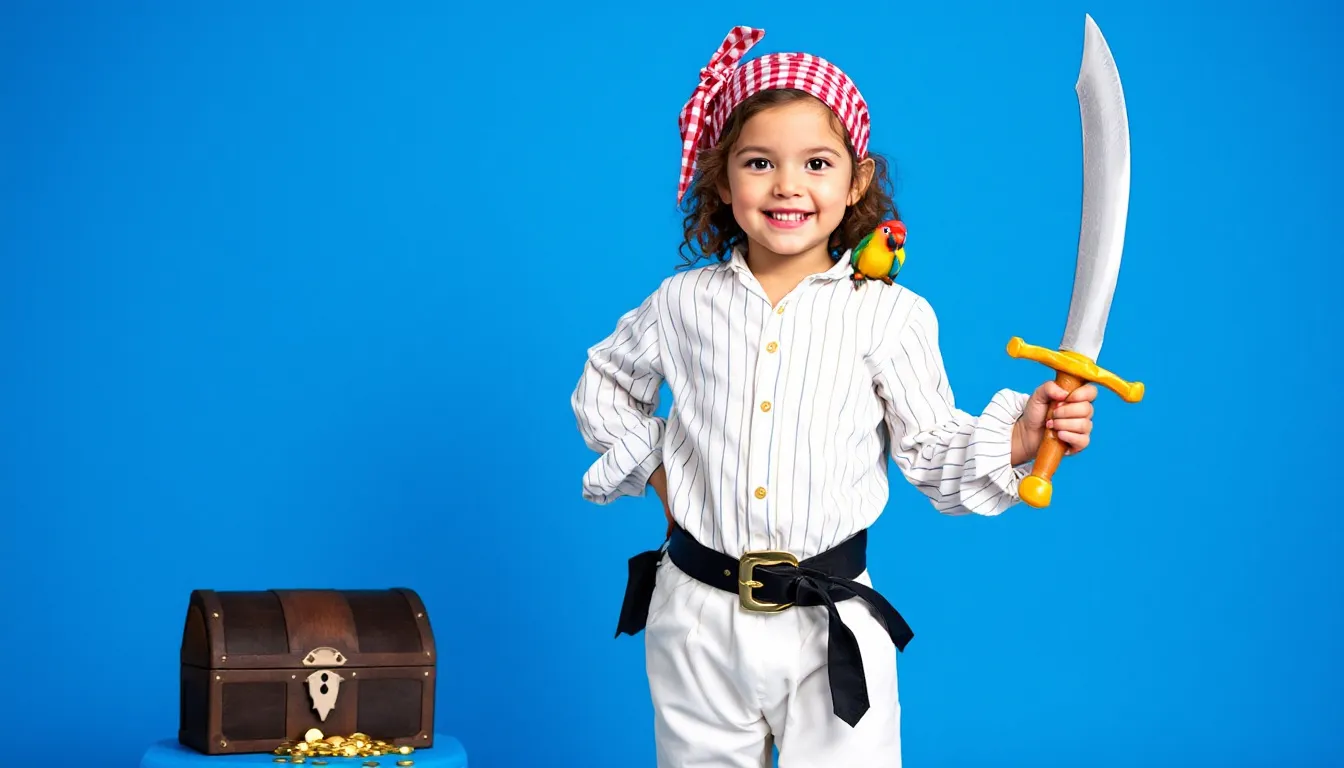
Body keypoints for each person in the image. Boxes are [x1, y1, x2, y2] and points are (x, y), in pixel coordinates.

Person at [570, 25, 1097, 768]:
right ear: (724, 180)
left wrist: (1019, 437)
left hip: (831, 619)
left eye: (817, 163)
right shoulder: (682, 303)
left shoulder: (890, 314)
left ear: (856, 180)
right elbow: (606, 386)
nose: (788, 185)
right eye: (760, 163)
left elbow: (930, 449)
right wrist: (658, 471)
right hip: (694, 615)